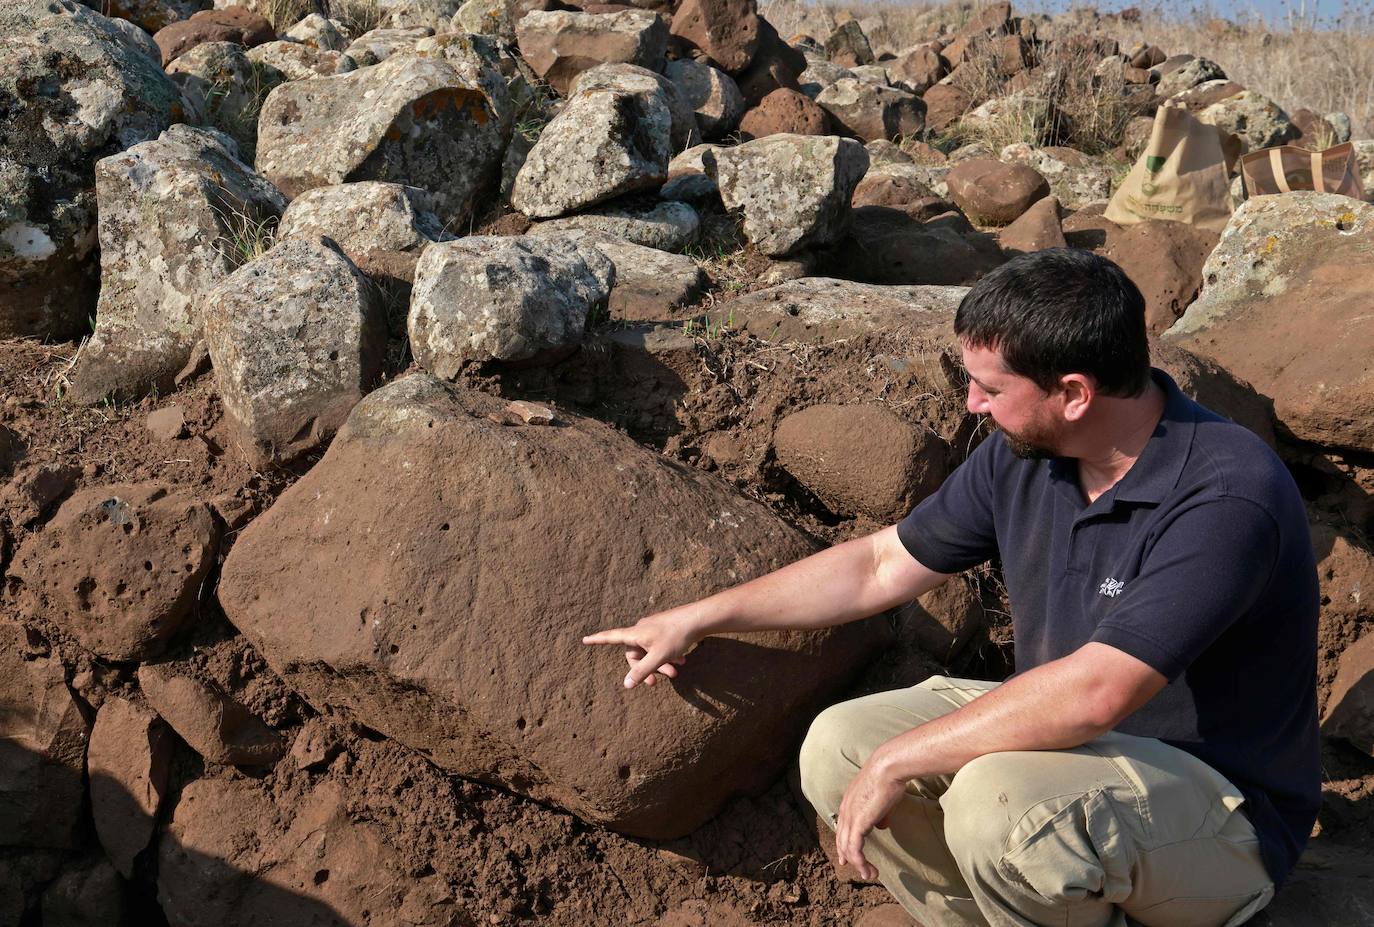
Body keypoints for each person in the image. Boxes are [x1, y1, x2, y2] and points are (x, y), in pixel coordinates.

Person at [583, 248, 1320, 927]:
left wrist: (902, 758)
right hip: (1073, 753)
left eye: (990, 387)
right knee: (839, 748)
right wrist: (700, 617)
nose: (971, 402)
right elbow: (879, 565)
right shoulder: (1029, 455)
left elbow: (1098, 691)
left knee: (998, 809)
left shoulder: (1226, 494)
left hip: (1219, 811)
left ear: (1073, 392)